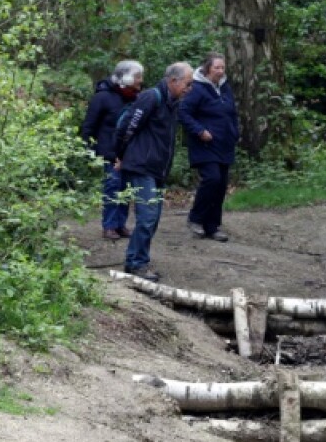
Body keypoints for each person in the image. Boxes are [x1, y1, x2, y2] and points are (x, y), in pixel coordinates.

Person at [114, 62, 194, 282]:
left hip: (157, 170)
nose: (190, 88)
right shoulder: (152, 97)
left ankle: (137, 260)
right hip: (141, 167)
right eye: (188, 83)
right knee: (147, 216)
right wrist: (119, 154)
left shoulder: (173, 103)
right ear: (173, 81)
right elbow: (128, 126)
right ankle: (136, 264)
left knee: (154, 218)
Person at [79, 60, 144, 240]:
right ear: (127, 77)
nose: (141, 81)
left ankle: (120, 224)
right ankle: (109, 226)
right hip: (108, 153)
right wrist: (91, 151)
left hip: (129, 154)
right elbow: (89, 127)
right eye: (138, 77)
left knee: (126, 189)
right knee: (113, 187)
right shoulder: (102, 97)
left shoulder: (136, 98)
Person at [179, 53, 240, 242]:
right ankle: (195, 218)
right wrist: (199, 131)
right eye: (217, 68)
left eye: (223, 68)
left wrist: (235, 132)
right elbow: (183, 112)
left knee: (221, 185)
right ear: (207, 69)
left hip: (224, 143)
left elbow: (232, 113)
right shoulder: (196, 89)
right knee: (211, 179)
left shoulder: (225, 88)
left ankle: (212, 226)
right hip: (204, 144)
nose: (221, 71)